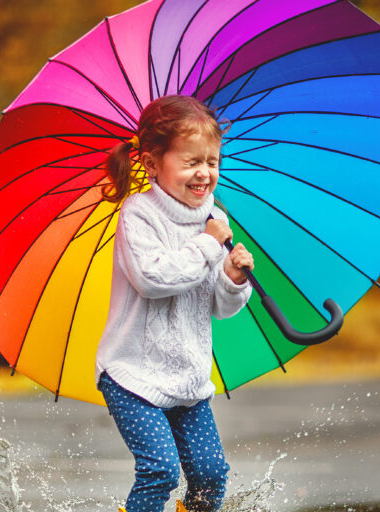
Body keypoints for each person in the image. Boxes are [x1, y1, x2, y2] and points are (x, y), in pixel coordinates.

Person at [95, 95, 254, 512]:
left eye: (212, 162)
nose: (204, 173)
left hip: (187, 378)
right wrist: (207, 245)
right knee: (160, 469)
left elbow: (218, 305)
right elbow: (153, 279)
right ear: (151, 163)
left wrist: (233, 280)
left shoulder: (213, 218)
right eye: (190, 163)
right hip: (133, 375)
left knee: (210, 474)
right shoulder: (138, 215)